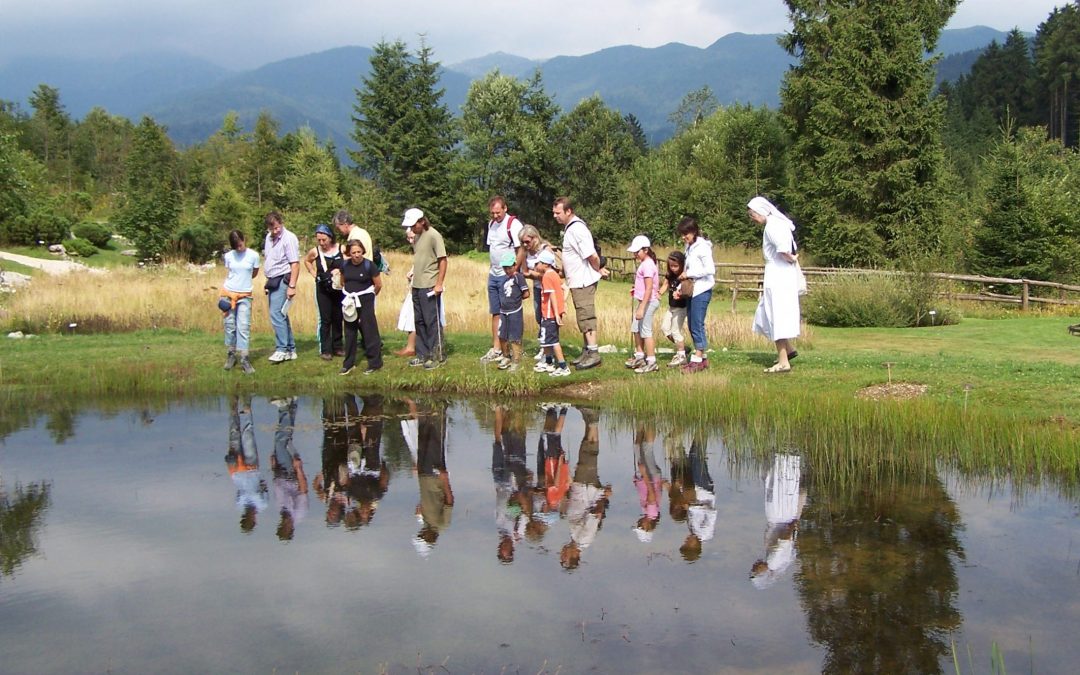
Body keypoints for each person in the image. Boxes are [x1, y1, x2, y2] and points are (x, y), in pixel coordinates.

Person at [747, 196, 801, 373]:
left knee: (775, 315)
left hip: (777, 274)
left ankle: (783, 361)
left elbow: (783, 249)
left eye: (753, 214)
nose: (752, 218)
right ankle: (789, 350)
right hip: (779, 273)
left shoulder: (772, 226)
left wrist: (791, 258)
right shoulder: (777, 224)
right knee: (767, 313)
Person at [553, 197, 605, 370]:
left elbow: (591, 255)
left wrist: (597, 269)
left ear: (568, 211)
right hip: (576, 281)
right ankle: (586, 350)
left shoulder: (577, 229)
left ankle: (593, 353)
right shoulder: (570, 229)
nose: (555, 216)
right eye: (554, 213)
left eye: (558, 212)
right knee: (582, 317)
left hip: (583, 281)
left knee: (586, 316)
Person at [480, 196, 525, 364]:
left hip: (507, 276)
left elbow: (520, 249)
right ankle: (497, 348)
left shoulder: (513, 224)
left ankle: (514, 350)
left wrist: (514, 272)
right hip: (493, 273)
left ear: (505, 208)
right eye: (492, 213)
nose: (495, 216)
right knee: (496, 311)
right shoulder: (491, 225)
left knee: (511, 313)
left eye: (498, 213)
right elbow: (493, 247)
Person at [402, 208, 448, 370]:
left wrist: (439, 284)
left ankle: (438, 356)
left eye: (413, 225)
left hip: (430, 285)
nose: (411, 229)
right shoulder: (417, 236)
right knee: (419, 322)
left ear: (422, 221)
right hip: (417, 285)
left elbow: (442, 260)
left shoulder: (434, 235)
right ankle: (422, 355)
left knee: (432, 322)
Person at [332, 239, 383, 376]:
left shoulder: (369, 265)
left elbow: (378, 284)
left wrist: (370, 297)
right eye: (353, 252)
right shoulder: (345, 265)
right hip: (350, 300)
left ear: (363, 252)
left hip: (366, 299)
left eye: (359, 252)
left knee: (369, 330)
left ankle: (375, 363)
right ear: (349, 253)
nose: (356, 255)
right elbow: (343, 281)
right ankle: (348, 364)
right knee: (349, 332)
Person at [675, 216, 715, 373]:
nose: (684, 237)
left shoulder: (703, 247)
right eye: (683, 234)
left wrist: (689, 273)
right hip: (693, 290)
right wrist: (680, 287)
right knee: (692, 324)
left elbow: (710, 269)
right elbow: (687, 270)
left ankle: (697, 359)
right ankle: (703, 359)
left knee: (696, 324)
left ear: (694, 231)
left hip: (702, 289)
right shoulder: (689, 246)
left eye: (686, 234)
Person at [262, 211, 300, 363]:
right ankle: (291, 349)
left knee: (276, 314)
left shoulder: (288, 238)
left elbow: (295, 264)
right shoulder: (269, 238)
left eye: (277, 227)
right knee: (281, 315)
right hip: (272, 280)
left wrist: (292, 286)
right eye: (272, 229)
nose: (275, 231)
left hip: (283, 279)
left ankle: (281, 349)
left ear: (281, 223)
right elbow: (269, 260)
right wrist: (267, 283)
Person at [220, 229, 259, 375]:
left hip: (245, 295)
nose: (239, 248)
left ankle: (244, 358)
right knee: (230, 325)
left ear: (244, 239)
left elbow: (254, 273)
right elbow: (230, 272)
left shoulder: (253, 255)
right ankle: (231, 354)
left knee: (243, 326)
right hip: (228, 293)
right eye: (236, 246)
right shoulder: (228, 256)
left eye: (240, 244)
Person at [303, 223, 344, 361]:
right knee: (325, 319)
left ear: (330, 238)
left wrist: (340, 270)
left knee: (338, 317)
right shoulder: (315, 251)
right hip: (323, 288)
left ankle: (337, 346)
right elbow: (307, 261)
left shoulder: (341, 249)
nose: (322, 243)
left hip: (338, 287)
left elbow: (349, 261)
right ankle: (326, 349)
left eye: (324, 240)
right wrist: (314, 274)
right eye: (319, 240)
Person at [519, 224, 557, 360]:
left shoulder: (545, 250)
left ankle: (548, 348)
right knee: (538, 316)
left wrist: (531, 274)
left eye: (527, 241)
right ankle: (544, 345)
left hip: (548, 288)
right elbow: (523, 270)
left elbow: (551, 273)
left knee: (547, 318)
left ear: (535, 238)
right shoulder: (525, 251)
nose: (525, 244)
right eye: (522, 242)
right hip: (537, 287)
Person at [625, 235, 661, 374]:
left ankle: (652, 361)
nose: (635, 254)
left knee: (646, 331)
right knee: (636, 328)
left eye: (637, 251)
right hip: (643, 301)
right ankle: (640, 356)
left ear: (645, 250)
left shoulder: (647, 265)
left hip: (648, 302)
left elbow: (649, 288)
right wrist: (636, 291)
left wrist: (641, 307)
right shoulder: (645, 263)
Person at [531, 249, 570, 377]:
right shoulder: (554, 274)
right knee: (546, 339)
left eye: (539, 263)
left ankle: (563, 366)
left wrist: (556, 313)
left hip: (549, 314)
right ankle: (548, 362)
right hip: (550, 313)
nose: (537, 266)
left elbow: (552, 294)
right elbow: (565, 288)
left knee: (553, 341)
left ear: (545, 264)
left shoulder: (547, 276)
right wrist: (562, 303)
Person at [494, 251, 529, 372]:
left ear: (514, 266)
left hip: (515, 311)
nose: (507, 270)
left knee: (515, 337)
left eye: (509, 267)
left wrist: (517, 299)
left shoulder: (518, 277)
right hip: (504, 311)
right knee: (502, 335)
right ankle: (506, 356)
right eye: (505, 268)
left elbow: (526, 293)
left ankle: (516, 360)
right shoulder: (503, 280)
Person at [658, 251, 689, 368]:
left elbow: (687, 289)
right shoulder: (670, 274)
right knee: (665, 328)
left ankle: (681, 356)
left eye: (676, 266)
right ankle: (682, 347)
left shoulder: (684, 276)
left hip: (681, 307)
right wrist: (659, 292)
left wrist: (680, 294)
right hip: (671, 307)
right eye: (671, 266)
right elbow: (665, 284)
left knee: (675, 331)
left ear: (681, 264)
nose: (673, 268)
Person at [394, 226, 418, 357]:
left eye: (412, 237)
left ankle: (411, 347)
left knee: (413, 316)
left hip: (423, 287)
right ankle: (411, 346)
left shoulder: (425, 247)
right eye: (408, 237)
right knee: (411, 315)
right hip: (415, 286)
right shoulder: (417, 249)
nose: (410, 241)